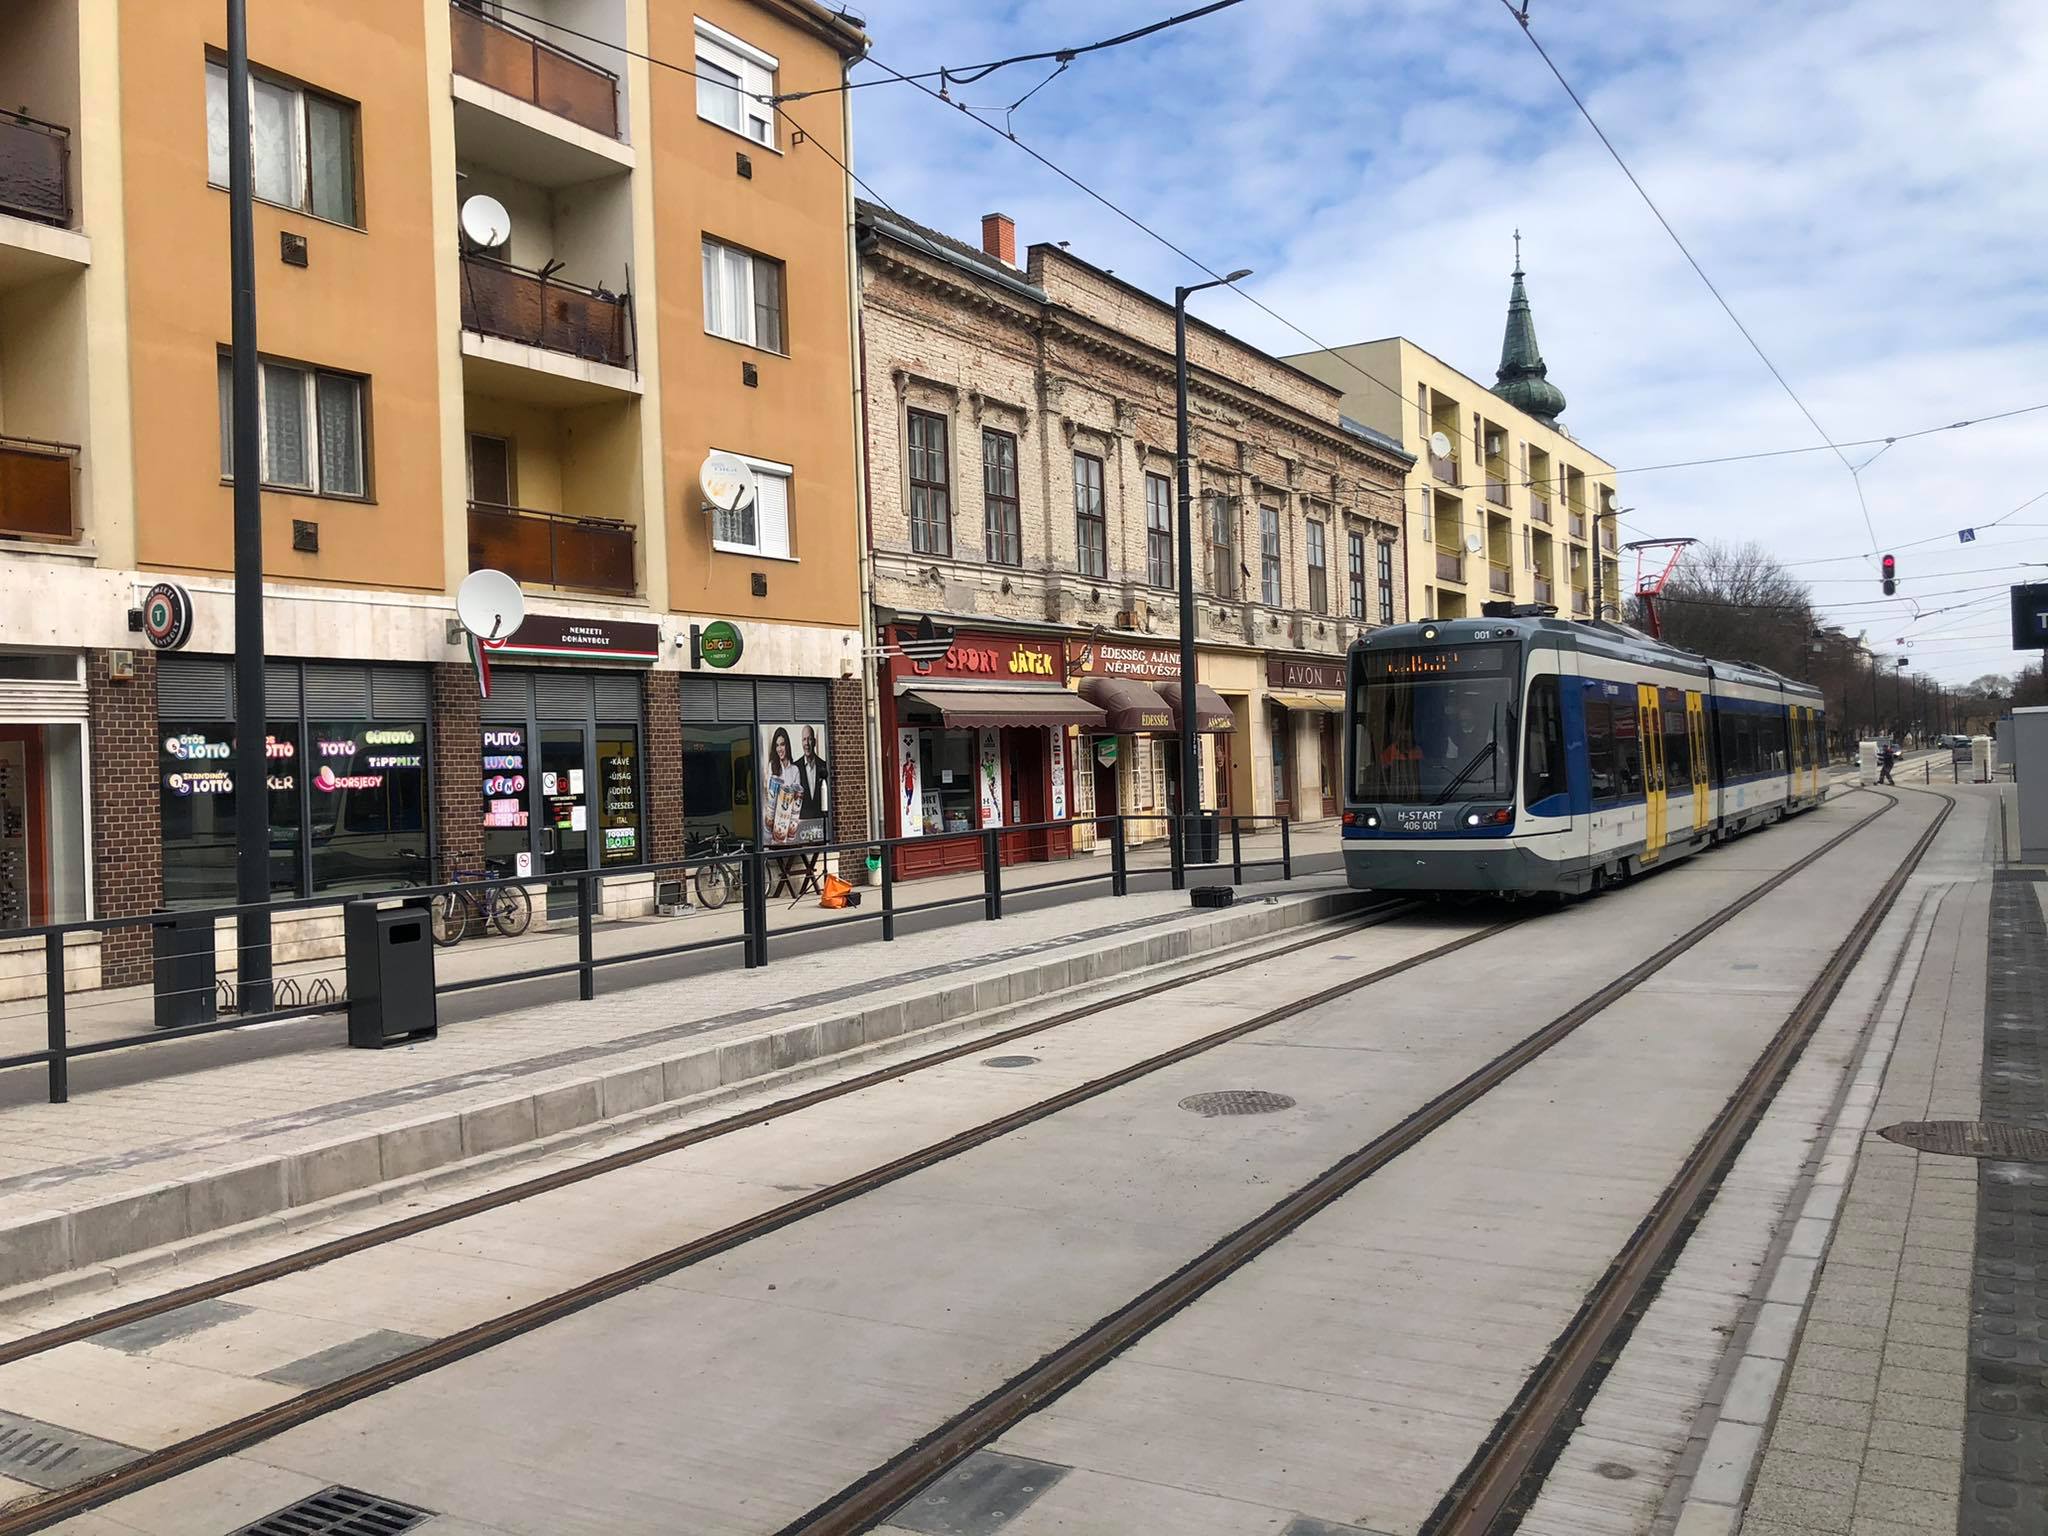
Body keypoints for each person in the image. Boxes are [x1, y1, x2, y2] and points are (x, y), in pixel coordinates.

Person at [795, 725, 829, 822]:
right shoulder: (795, 768)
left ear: (814, 741)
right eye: (804, 739)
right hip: (802, 824)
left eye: (809, 739)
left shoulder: (824, 766)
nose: (806, 743)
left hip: (821, 823)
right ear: (801, 742)